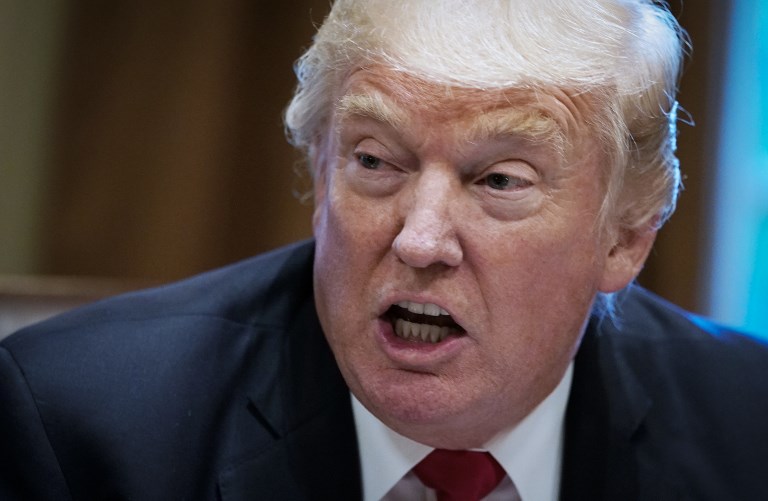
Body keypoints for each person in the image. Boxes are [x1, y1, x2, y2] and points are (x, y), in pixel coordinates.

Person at [2, 0, 767, 499]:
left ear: (626, 236)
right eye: (374, 160)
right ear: (319, 171)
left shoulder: (749, 423)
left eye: (500, 178)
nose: (420, 238)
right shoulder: (80, 427)